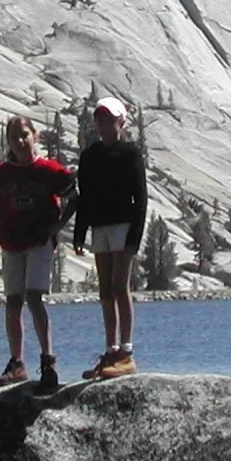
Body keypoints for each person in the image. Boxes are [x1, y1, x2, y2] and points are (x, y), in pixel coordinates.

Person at [0, 115, 76, 391]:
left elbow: (74, 195)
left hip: (38, 242)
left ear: (35, 135)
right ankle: (17, 363)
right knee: (13, 302)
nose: (20, 141)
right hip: (12, 244)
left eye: (25, 135)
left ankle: (48, 360)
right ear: (8, 142)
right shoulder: (1, 175)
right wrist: (1, 227)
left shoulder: (49, 170)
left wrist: (57, 226)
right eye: (14, 137)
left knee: (34, 298)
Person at [72, 97, 149, 379]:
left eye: (109, 118)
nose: (104, 123)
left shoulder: (130, 153)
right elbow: (85, 197)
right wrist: (80, 233)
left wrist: (135, 237)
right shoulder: (89, 156)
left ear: (121, 121)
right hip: (100, 228)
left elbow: (140, 197)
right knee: (105, 289)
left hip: (123, 226)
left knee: (120, 286)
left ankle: (126, 352)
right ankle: (110, 349)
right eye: (100, 118)